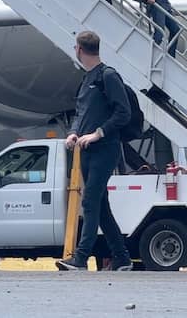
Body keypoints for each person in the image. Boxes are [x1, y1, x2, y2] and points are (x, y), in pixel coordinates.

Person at [56, 31, 133, 271]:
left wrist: (99, 133)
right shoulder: (87, 79)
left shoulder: (107, 76)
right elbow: (81, 112)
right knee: (101, 207)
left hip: (105, 149)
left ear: (79, 49)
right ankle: (122, 258)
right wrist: (74, 132)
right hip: (86, 151)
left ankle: (80, 258)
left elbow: (123, 113)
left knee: (90, 201)